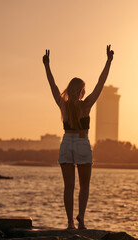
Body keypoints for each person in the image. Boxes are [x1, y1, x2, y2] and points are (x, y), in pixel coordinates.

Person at [43, 45, 114, 229]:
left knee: (69, 187)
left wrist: (47, 66)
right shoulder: (87, 104)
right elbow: (101, 82)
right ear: (81, 90)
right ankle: (81, 218)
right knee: (84, 186)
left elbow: (53, 85)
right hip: (82, 144)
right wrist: (108, 61)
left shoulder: (63, 104)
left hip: (66, 143)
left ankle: (69, 223)